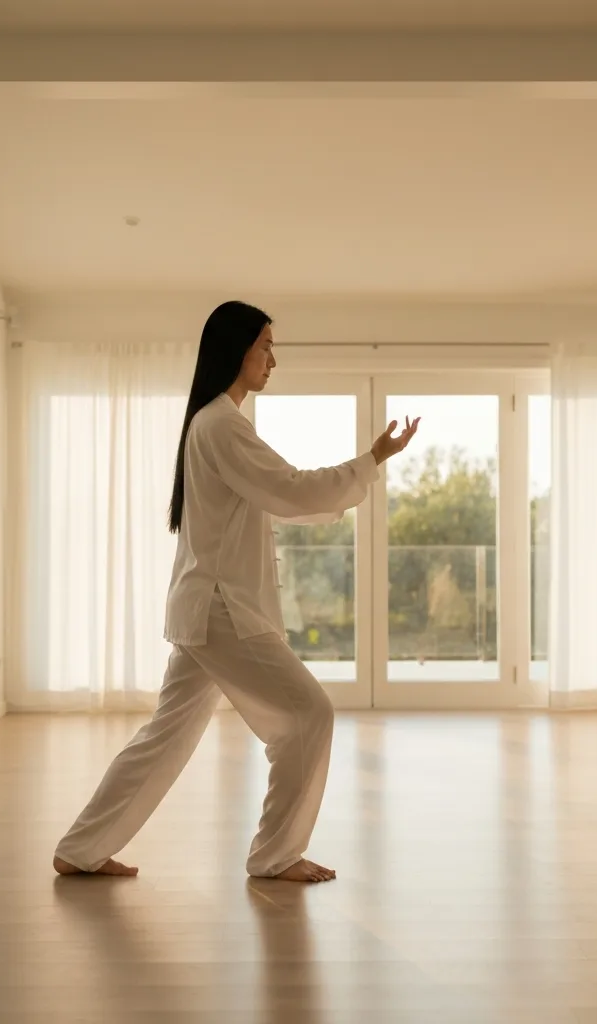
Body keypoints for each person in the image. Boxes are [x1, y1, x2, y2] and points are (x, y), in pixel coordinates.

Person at [53, 301, 420, 884]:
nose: (273, 358)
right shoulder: (221, 424)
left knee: (164, 739)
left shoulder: (214, 423)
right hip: (222, 610)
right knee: (309, 715)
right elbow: (293, 489)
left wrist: (354, 476)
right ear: (237, 348)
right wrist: (371, 459)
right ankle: (275, 855)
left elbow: (280, 498)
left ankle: (80, 847)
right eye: (266, 345)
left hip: (206, 607)